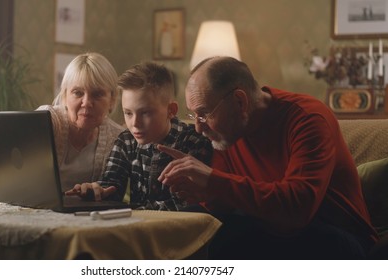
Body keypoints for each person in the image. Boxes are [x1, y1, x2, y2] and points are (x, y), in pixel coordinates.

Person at [157, 56, 379, 259]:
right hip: (266, 226)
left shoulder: (307, 118)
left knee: (224, 238)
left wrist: (213, 181)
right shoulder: (225, 133)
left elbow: (297, 209)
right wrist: (198, 191)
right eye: (194, 115)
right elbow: (226, 201)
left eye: (204, 114)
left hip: (337, 237)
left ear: (240, 102)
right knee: (187, 225)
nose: (197, 127)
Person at [65, 61, 213, 210]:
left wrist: (133, 211)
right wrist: (97, 192)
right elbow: (111, 185)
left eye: (145, 113)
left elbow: (186, 204)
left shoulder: (194, 141)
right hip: (137, 225)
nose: (135, 123)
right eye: (128, 113)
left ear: (171, 110)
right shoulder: (126, 140)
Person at [37, 52, 124, 192]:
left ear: (112, 100)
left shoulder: (117, 138)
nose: (86, 103)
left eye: (97, 94)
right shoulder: (48, 120)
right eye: (78, 93)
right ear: (65, 95)